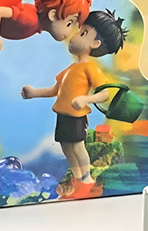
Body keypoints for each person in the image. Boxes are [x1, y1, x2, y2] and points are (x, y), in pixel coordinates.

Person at [21, 10, 128, 187]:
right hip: (63, 114)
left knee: (78, 146)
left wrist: (85, 99)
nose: (75, 36)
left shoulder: (90, 68)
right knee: (66, 146)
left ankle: (86, 177)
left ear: (95, 44)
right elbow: (55, 90)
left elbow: (105, 93)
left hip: (76, 116)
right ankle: (78, 177)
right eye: (79, 32)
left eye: (83, 33)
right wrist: (34, 93)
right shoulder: (71, 69)